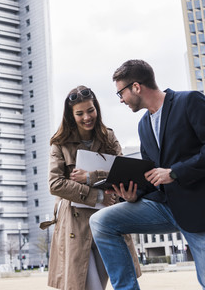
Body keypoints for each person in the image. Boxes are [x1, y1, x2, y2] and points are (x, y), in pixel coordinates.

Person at [89, 59, 205, 290]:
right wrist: (133, 194)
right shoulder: (143, 124)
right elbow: (151, 172)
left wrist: (175, 172)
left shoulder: (189, 101)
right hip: (163, 205)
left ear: (136, 87)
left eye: (120, 92)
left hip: (198, 208)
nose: (120, 99)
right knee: (101, 221)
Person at [40, 85, 141, 290]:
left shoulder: (108, 137)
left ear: (97, 108)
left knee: (120, 280)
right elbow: (55, 184)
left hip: (110, 218)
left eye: (90, 110)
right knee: (88, 286)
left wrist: (90, 177)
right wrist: (97, 195)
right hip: (76, 225)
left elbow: (124, 173)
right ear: (70, 115)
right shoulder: (59, 143)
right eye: (80, 113)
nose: (87, 117)